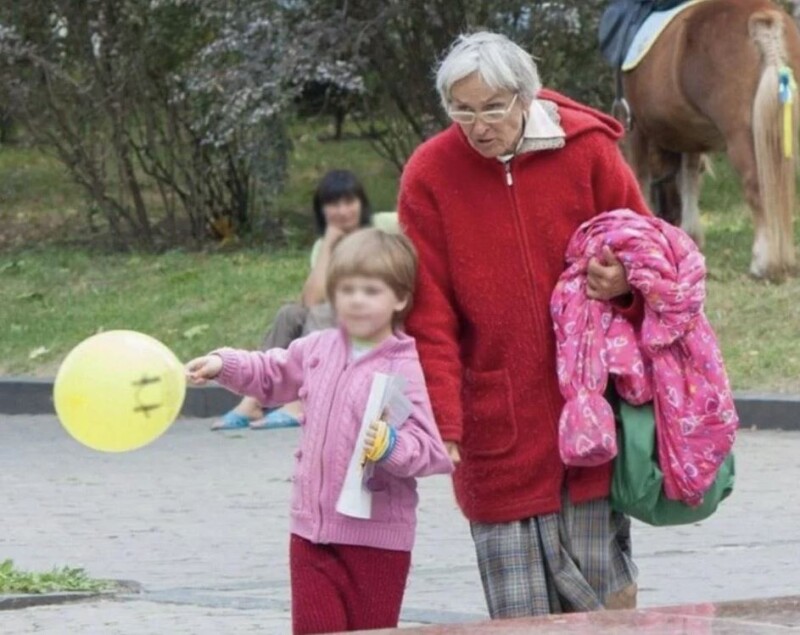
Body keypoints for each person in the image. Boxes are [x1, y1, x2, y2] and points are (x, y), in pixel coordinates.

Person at [398, 31, 650, 618]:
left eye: (491, 108)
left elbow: (653, 253)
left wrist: (625, 286)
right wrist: (443, 419)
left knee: (605, 608)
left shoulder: (588, 152)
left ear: (524, 98)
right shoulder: (429, 175)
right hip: (496, 425)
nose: (477, 125)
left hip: (589, 417)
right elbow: (427, 313)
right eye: (461, 110)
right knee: (518, 619)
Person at [186, 228, 454, 634]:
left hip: (377, 541)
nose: (357, 299)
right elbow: (271, 371)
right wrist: (225, 365)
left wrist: (392, 446)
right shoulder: (318, 348)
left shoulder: (406, 366)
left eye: (371, 290)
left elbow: (431, 451)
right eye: (346, 289)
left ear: (400, 298)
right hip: (310, 533)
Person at [213, 169, 372, 430]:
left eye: (349, 202)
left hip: (377, 314)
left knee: (322, 312)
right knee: (289, 313)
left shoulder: (384, 228)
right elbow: (309, 300)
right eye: (334, 204)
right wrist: (330, 243)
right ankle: (253, 400)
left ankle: (302, 401)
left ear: (362, 204)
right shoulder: (324, 246)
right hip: (340, 319)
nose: (343, 211)